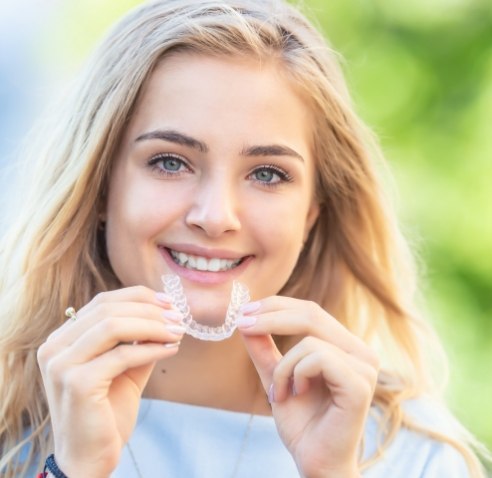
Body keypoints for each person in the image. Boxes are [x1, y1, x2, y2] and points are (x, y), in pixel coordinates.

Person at [0, 0, 489, 477]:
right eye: (170, 162)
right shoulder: (12, 435)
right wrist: (70, 471)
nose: (216, 217)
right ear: (100, 187)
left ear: (312, 215)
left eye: (268, 174)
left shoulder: (414, 457)